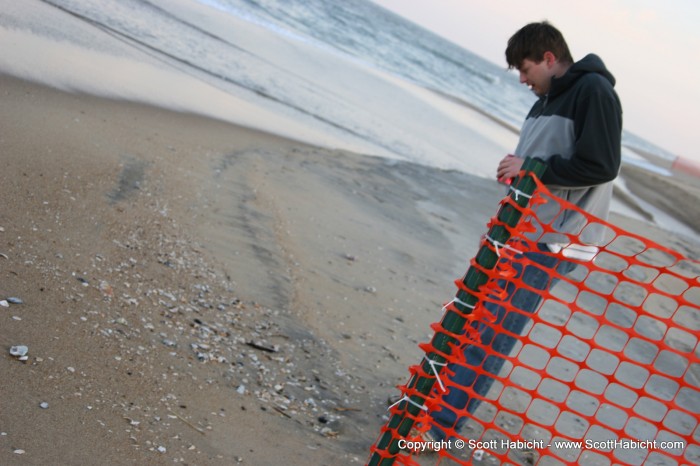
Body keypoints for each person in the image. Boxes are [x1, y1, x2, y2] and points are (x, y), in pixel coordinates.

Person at [422, 21, 622, 442]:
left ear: (549, 59)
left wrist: (531, 168)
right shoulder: (545, 98)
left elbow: (602, 166)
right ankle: (435, 410)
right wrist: (518, 169)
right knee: (476, 323)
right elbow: (544, 160)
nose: (521, 78)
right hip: (523, 232)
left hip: (558, 241)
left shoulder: (594, 92)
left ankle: (439, 429)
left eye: (525, 68)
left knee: (493, 331)